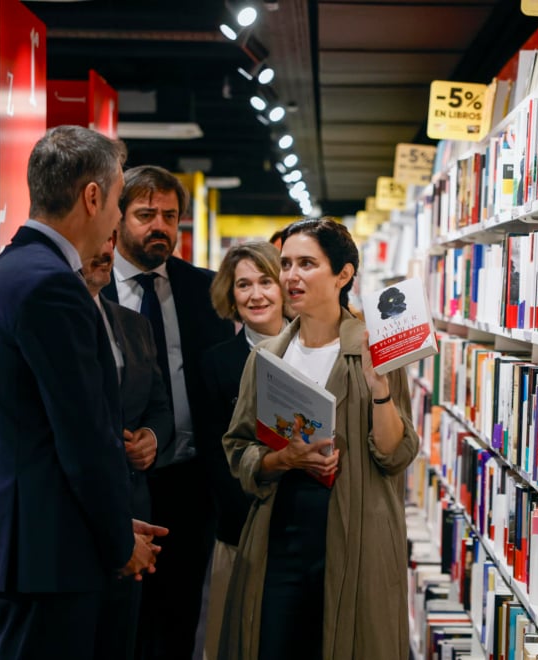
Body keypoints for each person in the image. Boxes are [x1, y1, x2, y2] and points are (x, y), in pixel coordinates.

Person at [0, 125, 167, 659]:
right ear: (92, 197)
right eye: (118, 201)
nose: (117, 218)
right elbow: (83, 437)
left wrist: (112, 526)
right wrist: (117, 540)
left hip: (29, 547)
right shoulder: (53, 285)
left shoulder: (6, 271)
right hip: (50, 556)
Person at [219, 217, 419, 660]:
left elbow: (395, 455)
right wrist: (284, 459)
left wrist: (380, 389)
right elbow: (239, 448)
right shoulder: (267, 356)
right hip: (280, 536)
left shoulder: (372, 348)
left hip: (355, 536)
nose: (291, 276)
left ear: (343, 275)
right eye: (286, 263)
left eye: (307, 264)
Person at [102, 164, 235, 659]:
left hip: (190, 483)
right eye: (146, 214)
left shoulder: (207, 291)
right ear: (118, 218)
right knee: (122, 623)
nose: (160, 226)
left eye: (170, 216)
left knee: (180, 618)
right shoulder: (89, 288)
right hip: (117, 485)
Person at [82, 230, 175, 660]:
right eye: (95, 241)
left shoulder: (135, 324)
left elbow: (160, 405)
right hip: (76, 513)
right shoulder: (54, 323)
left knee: (122, 638)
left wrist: (150, 438)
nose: (104, 250)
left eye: (110, 242)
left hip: (134, 502)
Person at [198, 241, 287, 660]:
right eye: (243, 285)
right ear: (230, 296)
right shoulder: (215, 364)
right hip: (240, 529)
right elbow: (213, 456)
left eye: (266, 281)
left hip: (307, 528)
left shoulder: (317, 352)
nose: (256, 295)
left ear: (284, 287)